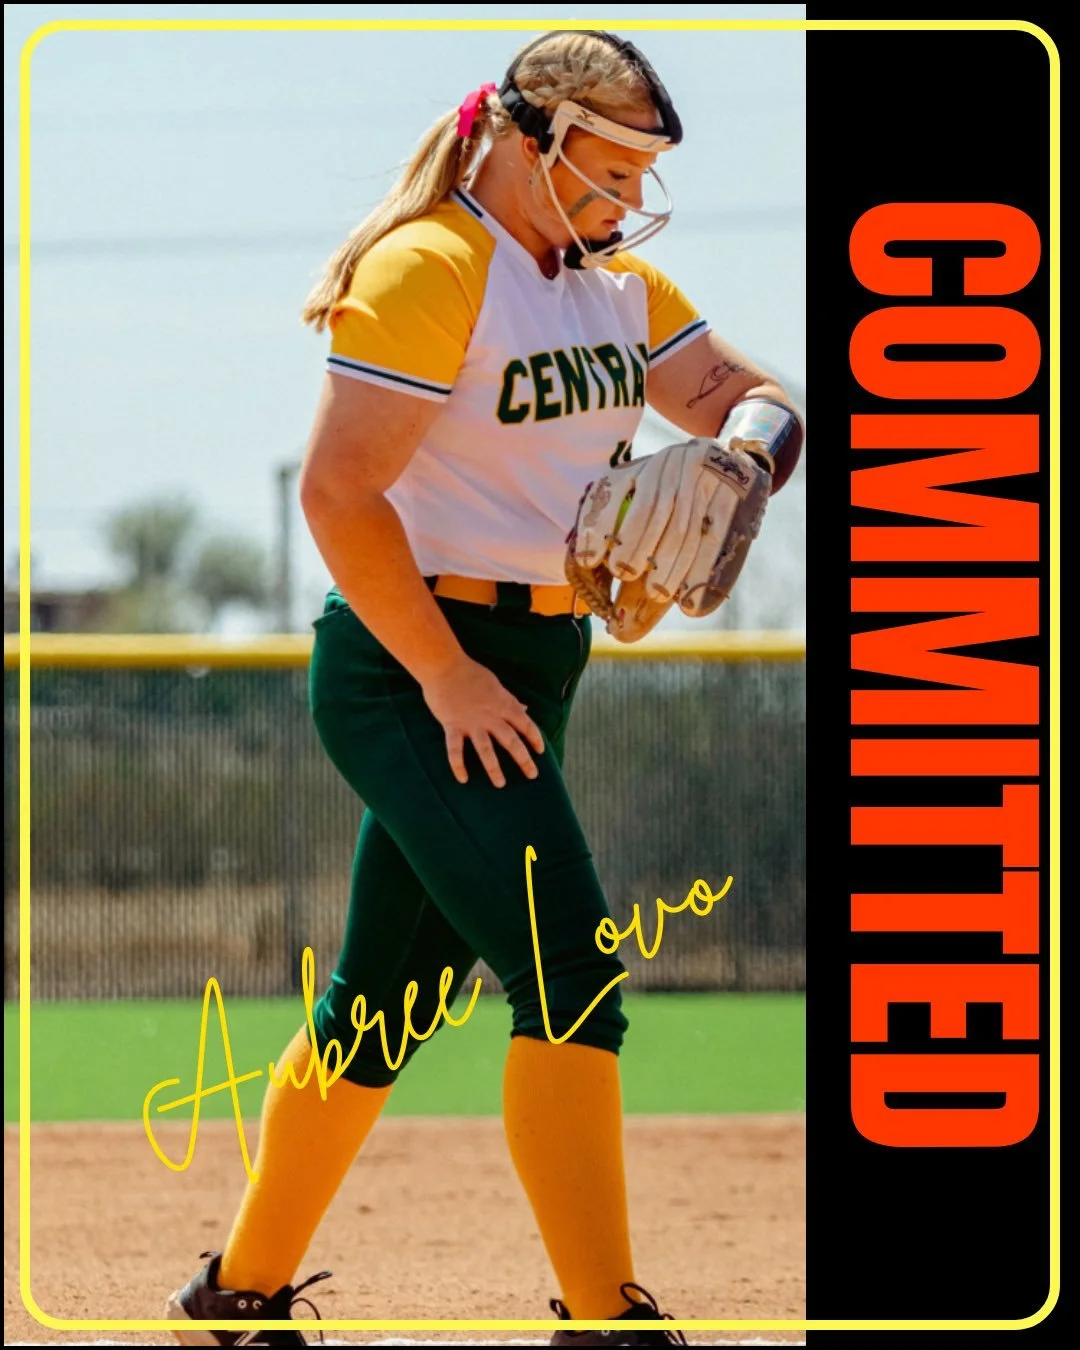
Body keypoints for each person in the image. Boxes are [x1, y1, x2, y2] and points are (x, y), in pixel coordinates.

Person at [165, 28, 803, 1348]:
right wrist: (447, 677)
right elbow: (336, 497)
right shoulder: (433, 267)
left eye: (643, 174)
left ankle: (238, 1294)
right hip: (415, 667)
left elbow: (753, 393)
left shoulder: (617, 289)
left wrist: (742, 458)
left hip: (528, 664)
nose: (627, 197)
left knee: (377, 1009)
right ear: (526, 137)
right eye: (607, 163)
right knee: (570, 974)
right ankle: (603, 1315)